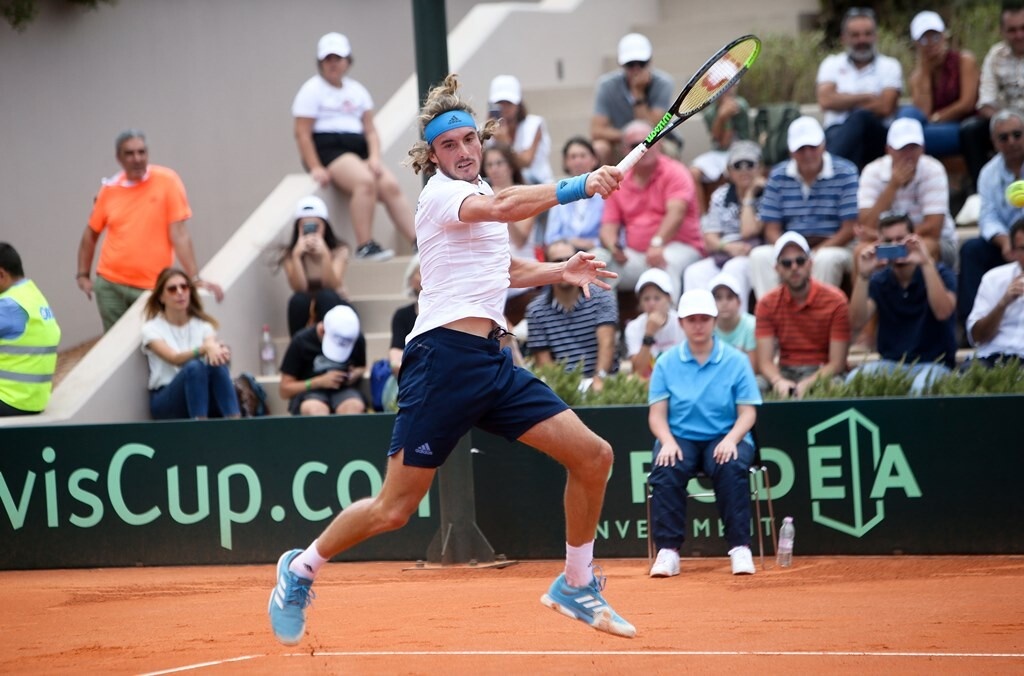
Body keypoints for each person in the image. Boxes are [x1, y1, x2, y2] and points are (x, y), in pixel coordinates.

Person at [267, 73, 636, 644]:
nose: (463, 152)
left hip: (493, 362)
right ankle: (300, 568)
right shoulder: (443, 194)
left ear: (481, 140)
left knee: (593, 456)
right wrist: (582, 184)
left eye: (469, 140)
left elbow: (503, 271)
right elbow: (507, 207)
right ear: (433, 155)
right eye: (449, 145)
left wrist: (558, 272)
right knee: (394, 509)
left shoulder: (481, 190)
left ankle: (576, 583)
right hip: (441, 362)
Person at [647, 288, 761, 578]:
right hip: (680, 437)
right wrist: (668, 442)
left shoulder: (736, 360)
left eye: (704, 319)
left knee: (730, 463)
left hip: (726, 435)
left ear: (713, 321)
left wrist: (732, 439)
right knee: (666, 464)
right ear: (682, 323)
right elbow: (657, 415)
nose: (698, 325)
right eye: (691, 319)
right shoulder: (665, 362)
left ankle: (740, 549)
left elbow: (748, 412)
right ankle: (668, 552)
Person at [77, 130, 224, 332]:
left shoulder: (167, 181)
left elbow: (179, 233)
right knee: (114, 345)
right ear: (119, 158)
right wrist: (83, 275)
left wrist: (195, 278)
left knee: (154, 341)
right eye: (129, 153)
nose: (137, 159)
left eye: (141, 152)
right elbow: (91, 233)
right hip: (110, 285)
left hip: (151, 287)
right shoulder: (109, 189)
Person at [291, 32, 416, 261]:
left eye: (337, 58)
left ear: (347, 61)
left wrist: (375, 157)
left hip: (358, 150)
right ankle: (365, 245)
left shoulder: (357, 90)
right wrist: (315, 166)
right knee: (364, 181)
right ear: (320, 62)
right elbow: (302, 133)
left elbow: (370, 129)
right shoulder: (311, 89)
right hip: (330, 150)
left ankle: (418, 242)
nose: (333, 64)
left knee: (390, 185)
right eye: (328, 59)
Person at [748, 116, 859, 300]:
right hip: (790, 245)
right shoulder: (778, 175)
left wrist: (811, 254)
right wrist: (791, 252)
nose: (808, 153)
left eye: (813, 147)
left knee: (825, 259)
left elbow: (849, 229)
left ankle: (817, 320)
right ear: (791, 151)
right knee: (759, 256)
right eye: (801, 149)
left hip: (834, 244)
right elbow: (771, 229)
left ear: (823, 145)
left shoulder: (846, 172)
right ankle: (770, 320)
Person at [847, 215, 957, 393]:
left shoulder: (941, 273)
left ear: (914, 239)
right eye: (889, 241)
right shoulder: (878, 281)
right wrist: (863, 275)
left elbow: (943, 312)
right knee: (854, 380)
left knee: (920, 387)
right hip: (891, 364)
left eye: (901, 239)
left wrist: (926, 262)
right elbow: (857, 322)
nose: (896, 245)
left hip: (935, 363)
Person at [596, 120, 703, 300]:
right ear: (625, 150)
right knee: (597, 262)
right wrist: (613, 247)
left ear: (659, 144)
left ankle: (667, 323)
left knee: (663, 263)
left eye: (650, 141)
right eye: (635, 144)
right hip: (636, 256)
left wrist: (657, 243)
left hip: (679, 247)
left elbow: (675, 214)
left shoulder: (676, 171)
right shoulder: (619, 180)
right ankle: (604, 325)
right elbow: (608, 226)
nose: (644, 148)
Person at [755, 232, 851, 399]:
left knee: (839, 387)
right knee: (754, 386)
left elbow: (838, 363)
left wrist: (811, 381)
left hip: (823, 370)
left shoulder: (836, 300)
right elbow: (765, 362)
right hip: (785, 370)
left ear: (810, 264)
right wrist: (778, 380)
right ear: (777, 269)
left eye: (800, 261)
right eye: (786, 263)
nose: (794, 267)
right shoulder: (766, 303)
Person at [856, 117, 958, 269]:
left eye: (913, 147)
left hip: (933, 241)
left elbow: (933, 229)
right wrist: (892, 186)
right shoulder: (872, 172)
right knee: (860, 252)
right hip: (885, 240)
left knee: (924, 248)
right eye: (902, 148)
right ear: (888, 150)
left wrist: (886, 237)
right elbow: (866, 223)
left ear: (922, 148)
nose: (908, 154)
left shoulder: (933, 170)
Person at [141, 268, 239, 420]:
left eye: (184, 287)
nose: (180, 292)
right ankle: (200, 429)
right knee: (194, 367)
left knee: (218, 365)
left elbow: (210, 344)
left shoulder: (203, 326)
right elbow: (174, 358)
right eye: (172, 289)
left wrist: (219, 352)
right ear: (161, 297)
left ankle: (236, 423)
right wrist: (204, 349)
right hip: (167, 399)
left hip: (202, 395)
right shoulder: (151, 329)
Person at [958, 109, 1024, 327]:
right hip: (1006, 244)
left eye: (1017, 134)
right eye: (1004, 137)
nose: (1011, 141)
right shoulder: (988, 173)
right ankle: (972, 325)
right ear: (994, 142)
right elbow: (987, 217)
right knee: (971, 251)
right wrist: (1006, 242)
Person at [526, 240, 620, 390]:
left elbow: (607, 344)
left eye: (569, 260)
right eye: (558, 261)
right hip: (563, 387)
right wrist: (564, 389)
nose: (566, 265)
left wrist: (598, 379)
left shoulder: (603, 297)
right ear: (548, 265)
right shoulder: (536, 310)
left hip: (602, 382)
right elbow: (544, 363)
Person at [683, 140, 764, 312]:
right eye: (738, 165)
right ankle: (697, 327)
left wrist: (749, 196)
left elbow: (748, 231)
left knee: (733, 268)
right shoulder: (720, 195)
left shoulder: (767, 194)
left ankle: (735, 328)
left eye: (750, 164)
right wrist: (727, 247)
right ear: (729, 170)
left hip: (753, 254)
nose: (744, 170)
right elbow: (709, 237)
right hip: (725, 252)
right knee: (694, 272)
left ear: (759, 168)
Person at [816, 7, 903, 169]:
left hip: (877, 135)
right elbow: (825, 100)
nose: (862, 40)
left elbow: (885, 107)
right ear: (844, 38)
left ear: (876, 36)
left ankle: (827, 171)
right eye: (855, 35)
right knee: (851, 134)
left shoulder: (890, 66)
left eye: (867, 34)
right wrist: (867, 97)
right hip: (836, 132)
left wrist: (842, 99)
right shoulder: (831, 64)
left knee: (860, 118)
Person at [896, 11, 980, 162]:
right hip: (932, 126)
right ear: (916, 44)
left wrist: (937, 118)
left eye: (935, 37)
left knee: (914, 139)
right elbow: (923, 112)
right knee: (907, 112)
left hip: (962, 125)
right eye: (924, 40)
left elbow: (966, 104)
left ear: (944, 36)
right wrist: (926, 71)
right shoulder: (918, 76)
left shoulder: (964, 61)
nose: (931, 44)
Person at [961, 3, 1024, 188]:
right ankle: (979, 191)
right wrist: (1005, 122)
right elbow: (985, 102)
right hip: (1003, 118)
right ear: (1002, 31)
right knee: (970, 130)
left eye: (1023, 28)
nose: (1019, 35)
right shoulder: (995, 56)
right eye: (1012, 30)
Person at [591, 32, 675, 165]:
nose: (636, 69)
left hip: (657, 140)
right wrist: (629, 137)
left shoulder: (664, 83)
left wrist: (638, 93)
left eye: (641, 63)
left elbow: (653, 130)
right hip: (621, 142)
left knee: (663, 148)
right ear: (621, 64)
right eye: (630, 64)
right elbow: (597, 131)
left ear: (650, 61)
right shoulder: (606, 85)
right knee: (599, 148)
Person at [0, 243, 60, 417]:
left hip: (10, 399)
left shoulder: (8, 306)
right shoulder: (32, 295)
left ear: (1, 274)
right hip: (32, 398)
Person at [277, 195, 350, 336]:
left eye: (315, 226)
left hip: (333, 302)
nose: (311, 232)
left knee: (326, 296)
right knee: (297, 300)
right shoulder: (290, 254)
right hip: (305, 305)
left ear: (324, 226)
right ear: (297, 228)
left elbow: (333, 285)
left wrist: (325, 255)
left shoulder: (339, 250)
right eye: (305, 226)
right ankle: (298, 347)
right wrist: (297, 257)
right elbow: (299, 288)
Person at [278, 302, 367, 416]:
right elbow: (284, 389)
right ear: (322, 330)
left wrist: (356, 374)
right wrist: (318, 382)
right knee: (316, 410)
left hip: (344, 391)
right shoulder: (301, 341)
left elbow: (362, 366)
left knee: (354, 407)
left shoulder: (356, 338)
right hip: (310, 392)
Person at [966, 217, 1024, 366]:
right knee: (969, 371)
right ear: (1012, 252)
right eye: (1023, 249)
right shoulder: (994, 278)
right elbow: (977, 337)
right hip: (993, 358)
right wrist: (1002, 304)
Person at [690, 89, 753, 211]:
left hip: (743, 150)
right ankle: (703, 219)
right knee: (693, 172)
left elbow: (728, 140)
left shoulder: (741, 105)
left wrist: (726, 115)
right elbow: (721, 142)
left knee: (728, 172)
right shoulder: (709, 113)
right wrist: (721, 117)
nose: (726, 91)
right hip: (719, 153)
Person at [487, 74, 553, 184]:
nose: (504, 108)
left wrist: (506, 144)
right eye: (499, 103)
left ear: (518, 104)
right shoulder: (485, 130)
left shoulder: (534, 124)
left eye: (509, 103)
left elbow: (526, 162)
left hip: (538, 184)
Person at [544, 137, 605, 251]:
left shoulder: (605, 190)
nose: (578, 161)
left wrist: (594, 243)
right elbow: (551, 237)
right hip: (566, 251)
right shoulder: (558, 190)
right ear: (566, 163)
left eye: (582, 156)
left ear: (594, 160)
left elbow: (613, 232)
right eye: (573, 157)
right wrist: (570, 241)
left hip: (597, 250)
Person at [624, 267, 684, 379]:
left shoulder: (681, 322)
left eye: (657, 298)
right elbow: (638, 371)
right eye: (646, 299)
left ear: (669, 298)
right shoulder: (633, 327)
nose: (651, 304)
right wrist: (649, 334)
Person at [709, 272, 757, 372]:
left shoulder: (751, 325)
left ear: (739, 302)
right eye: (718, 298)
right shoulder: (707, 327)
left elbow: (752, 369)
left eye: (730, 297)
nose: (724, 303)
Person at [388, 254, 421, 375]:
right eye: (421, 272)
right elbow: (396, 352)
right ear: (411, 280)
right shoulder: (402, 315)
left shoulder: (446, 315)